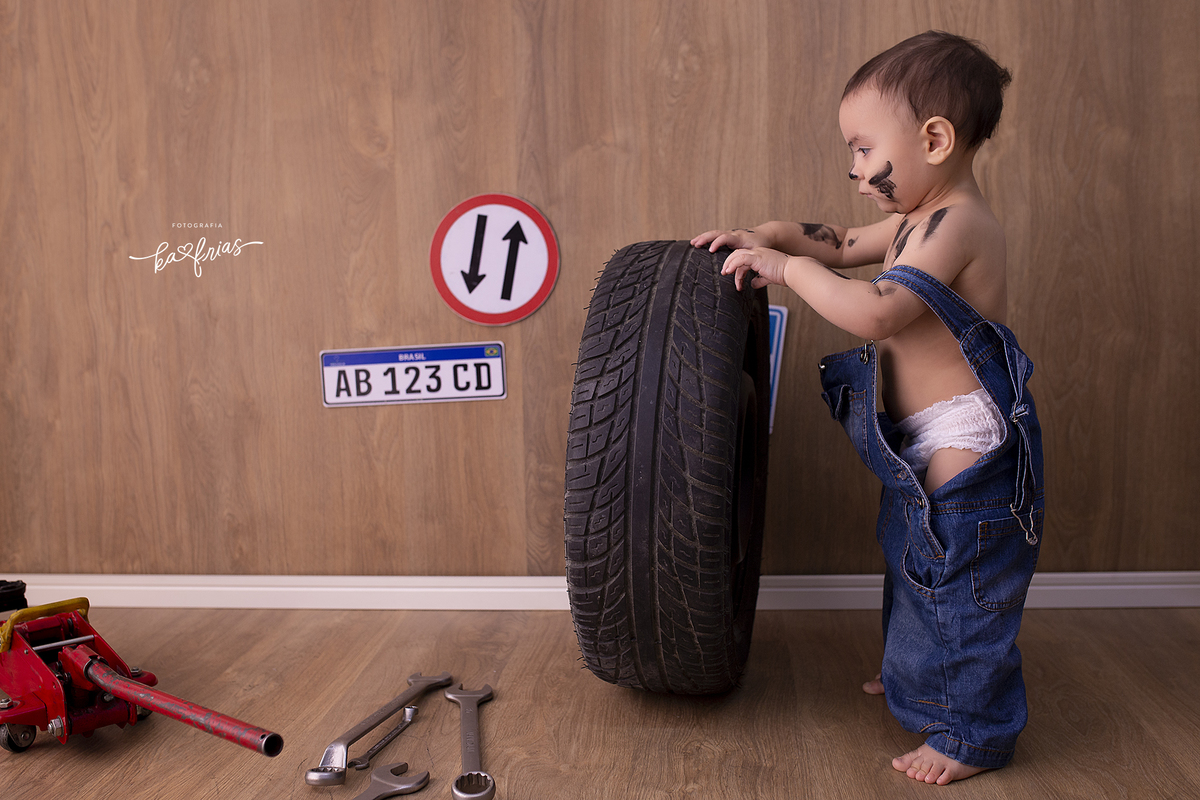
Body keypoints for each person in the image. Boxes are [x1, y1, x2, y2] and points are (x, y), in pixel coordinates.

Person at [692, 31, 1044, 785]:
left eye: (862, 148)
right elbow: (845, 241)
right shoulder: (915, 220)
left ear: (935, 139)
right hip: (917, 441)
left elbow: (878, 312)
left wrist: (786, 270)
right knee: (912, 562)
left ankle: (970, 732)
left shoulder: (958, 227)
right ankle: (922, 667)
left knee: (960, 585)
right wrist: (767, 236)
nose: (853, 168)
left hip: (966, 444)